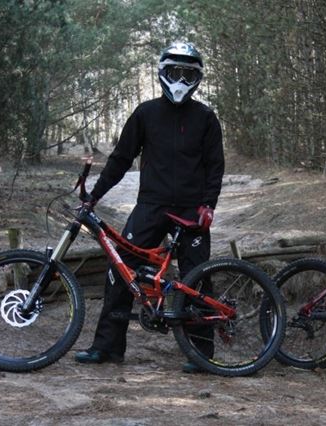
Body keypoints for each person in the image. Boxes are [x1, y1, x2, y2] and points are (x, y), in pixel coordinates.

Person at [74, 42, 225, 374]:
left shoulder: (206, 117)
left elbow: (215, 166)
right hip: (151, 206)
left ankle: (201, 354)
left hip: (191, 210)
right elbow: (120, 159)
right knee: (121, 270)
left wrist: (208, 205)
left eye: (188, 74)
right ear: (162, 73)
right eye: (175, 73)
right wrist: (94, 196)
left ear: (197, 78)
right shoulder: (145, 113)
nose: (180, 80)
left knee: (197, 278)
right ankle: (107, 347)